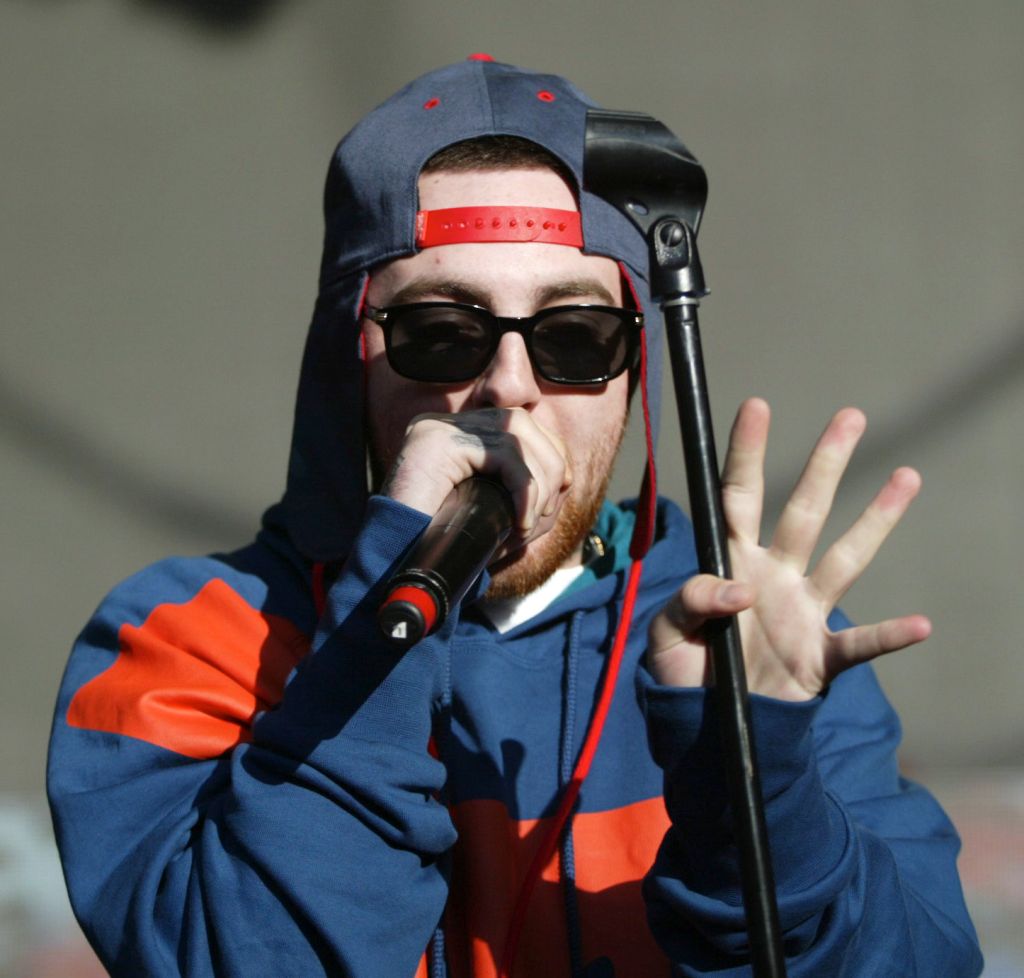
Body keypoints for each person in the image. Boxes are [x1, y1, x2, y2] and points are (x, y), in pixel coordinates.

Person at [47, 56, 983, 978]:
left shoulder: (747, 634)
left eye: (576, 337)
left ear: (636, 371)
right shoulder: (185, 639)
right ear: (351, 361)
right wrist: (379, 631)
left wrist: (754, 780)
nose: (508, 384)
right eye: (442, 334)